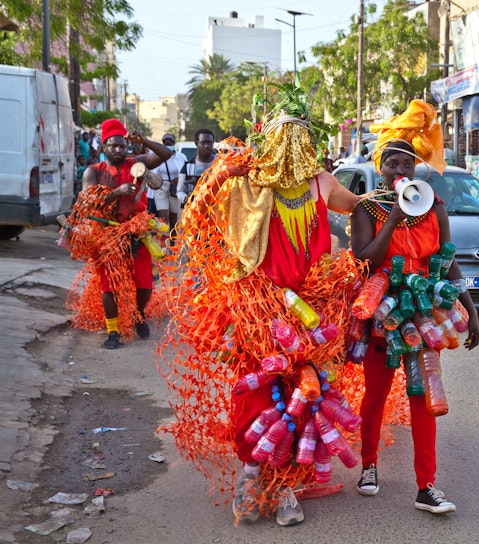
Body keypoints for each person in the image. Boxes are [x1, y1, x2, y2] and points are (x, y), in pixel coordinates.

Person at [159, 88, 362, 527]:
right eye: (282, 137)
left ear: (309, 143)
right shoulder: (248, 186)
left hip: (312, 311)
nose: (290, 146)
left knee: (304, 397)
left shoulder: (320, 183)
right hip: (260, 308)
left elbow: (357, 206)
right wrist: (218, 174)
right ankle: (250, 479)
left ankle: (287, 487)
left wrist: (400, 203)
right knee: (258, 396)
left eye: (298, 137)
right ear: (268, 141)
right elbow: (194, 220)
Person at [351, 101, 479, 515]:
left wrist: (470, 309)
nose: (399, 169)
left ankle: (427, 486)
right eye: (391, 162)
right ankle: (368, 465)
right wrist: (392, 216)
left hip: (424, 312)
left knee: (423, 397)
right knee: (375, 395)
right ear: (380, 168)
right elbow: (365, 258)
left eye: (406, 161)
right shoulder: (366, 208)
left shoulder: (434, 205)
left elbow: (448, 259)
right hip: (382, 308)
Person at [80, 119, 173, 348]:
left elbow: (166, 154)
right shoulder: (93, 172)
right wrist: (116, 193)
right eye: (113, 146)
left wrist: (144, 141)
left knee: (145, 284)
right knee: (109, 286)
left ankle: (138, 314)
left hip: (138, 234)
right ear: (104, 147)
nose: (119, 150)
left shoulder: (137, 164)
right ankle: (113, 331)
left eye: (123, 146)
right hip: (107, 236)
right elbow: (85, 202)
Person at [152, 134, 186, 231]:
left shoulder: (180, 157)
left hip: (174, 188)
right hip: (161, 187)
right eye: (165, 143)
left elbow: (185, 171)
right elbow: (152, 171)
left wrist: (179, 178)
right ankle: (163, 243)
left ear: (174, 143)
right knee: (162, 218)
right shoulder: (157, 156)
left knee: (173, 219)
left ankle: (172, 243)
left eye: (170, 143)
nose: (168, 145)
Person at [177, 129, 215, 205]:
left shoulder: (221, 164)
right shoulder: (187, 167)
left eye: (210, 143)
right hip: (195, 210)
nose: (207, 146)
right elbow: (180, 191)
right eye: (203, 143)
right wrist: (187, 198)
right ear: (196, 143)